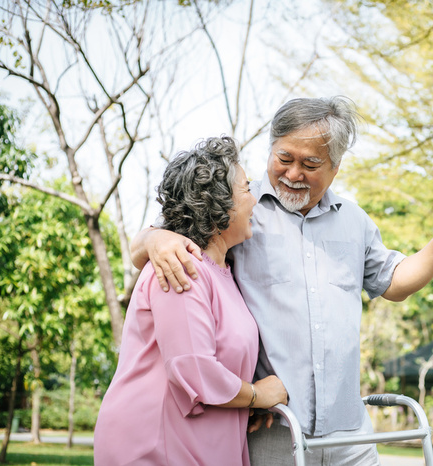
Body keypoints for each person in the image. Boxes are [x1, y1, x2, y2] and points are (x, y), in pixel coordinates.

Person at [131, 97, 433, 465]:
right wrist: (152, 238)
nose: (293, 174)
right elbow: (178, 236)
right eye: (284, 159)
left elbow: (395, 282)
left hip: (351, 430)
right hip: (274, 426)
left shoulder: (354, 221)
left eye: (310, 164)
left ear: (335, 167)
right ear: (271, 149)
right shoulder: (240, 208)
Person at [94, 137, 288, 466]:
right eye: (245, 189)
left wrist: (246, 401)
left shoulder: (224, 272)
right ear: (219, 204)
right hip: (153, 446)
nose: (255, 199)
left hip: (200, 443)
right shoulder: (181, 266)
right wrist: (257, 394)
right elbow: (194, 368)